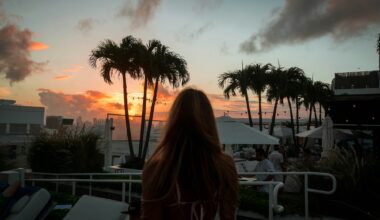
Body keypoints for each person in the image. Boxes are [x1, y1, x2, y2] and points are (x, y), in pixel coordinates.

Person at [141, 88, 239, 220]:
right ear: (209, 121)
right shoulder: (225, 166)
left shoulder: (157, 169)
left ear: (174, 122)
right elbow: (228, 215)